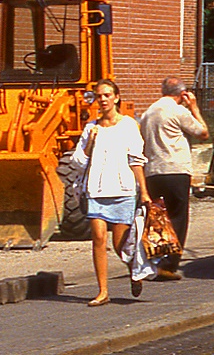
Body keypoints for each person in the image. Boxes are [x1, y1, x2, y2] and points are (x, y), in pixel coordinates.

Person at [71, 79, 151, 306]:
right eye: (99, 96)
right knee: (97, 238)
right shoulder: (91, 128)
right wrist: (90, 143)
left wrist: (143, 191)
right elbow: (78, 162)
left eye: (107, 95)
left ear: (116, 97)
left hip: (122, 190)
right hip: (96, 190)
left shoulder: (128, 125)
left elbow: (136, 160)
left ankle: (134, 270)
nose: (103, 99)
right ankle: (103, 291)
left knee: (120, 244)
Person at [139, 77, 209, 280]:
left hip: (153, 171)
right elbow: (202, 133)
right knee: (178, 216)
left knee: (158, 217)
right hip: (175, 169)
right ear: (182, 94)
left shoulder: (148, 112)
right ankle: (169, 264)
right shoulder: (179, 111)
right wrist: (194, 108)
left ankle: (155, 259)